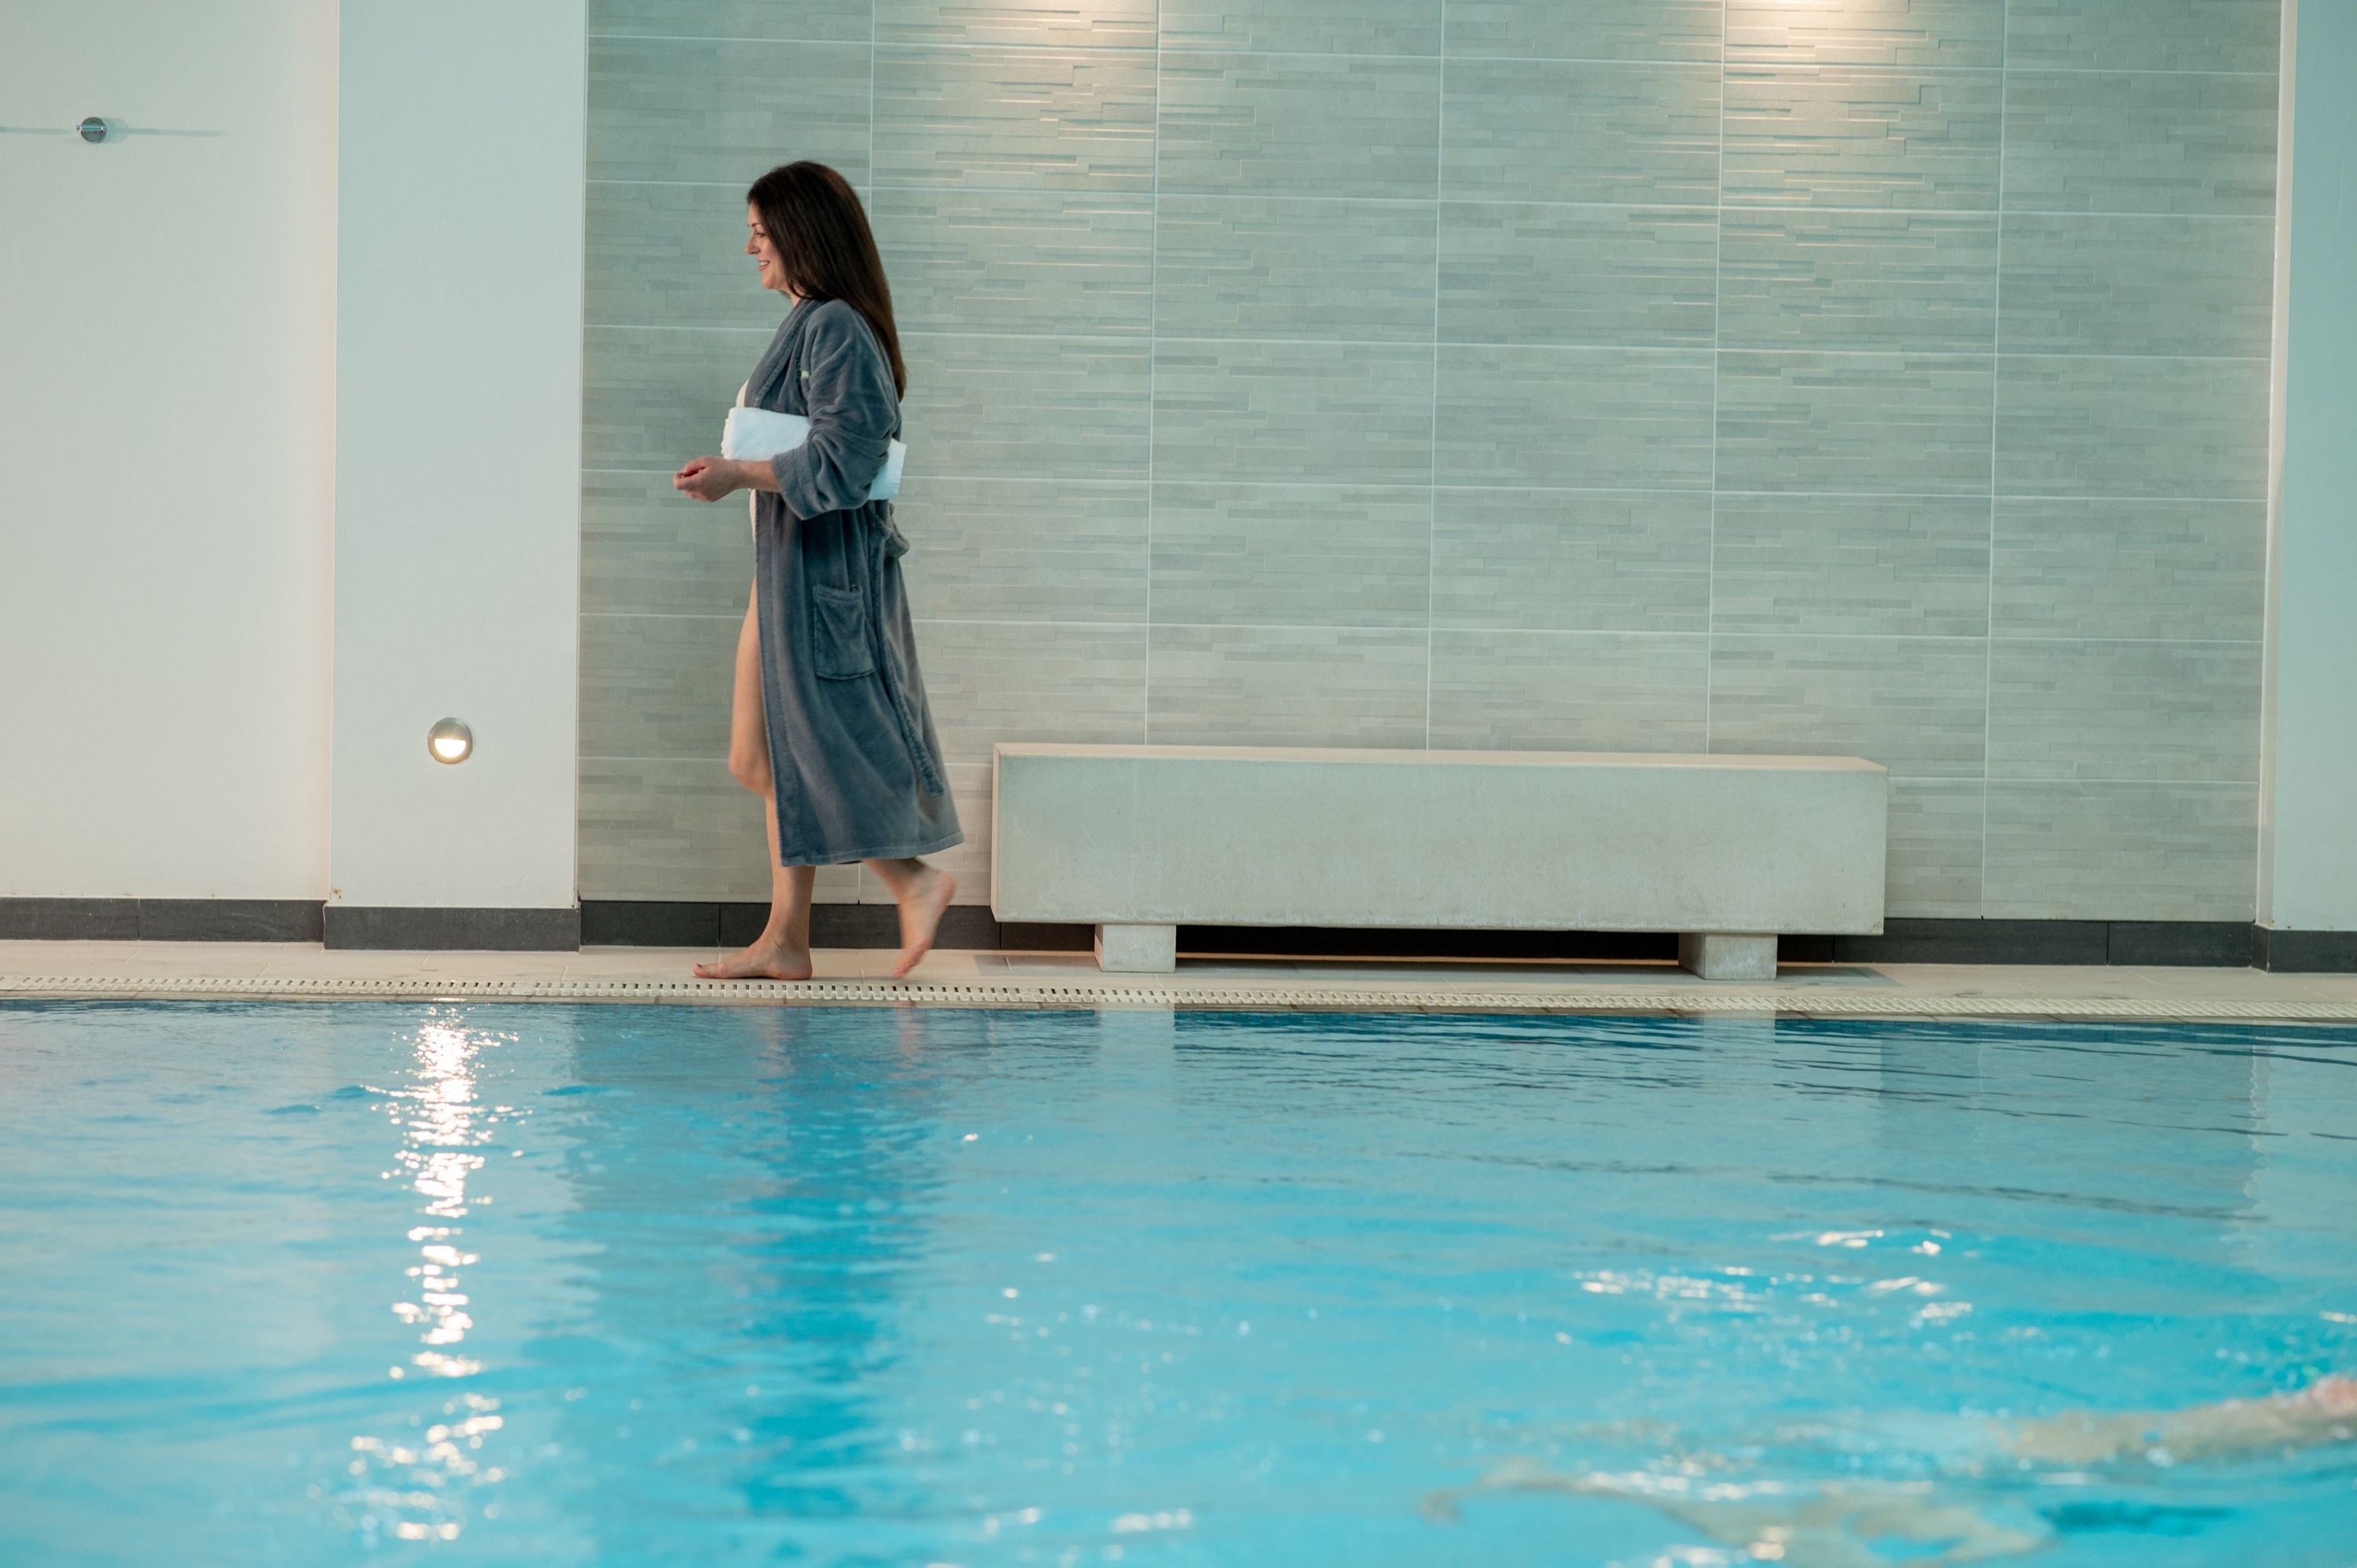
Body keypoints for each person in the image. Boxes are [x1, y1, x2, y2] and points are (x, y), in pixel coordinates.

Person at [671, 162, 960, 981]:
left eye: (761, 232)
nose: (750, 248)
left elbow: (847, 457)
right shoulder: (811, 322)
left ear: (802, 235)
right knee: (760, 754)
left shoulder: (835, 327)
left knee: (775, 755)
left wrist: (737, 477)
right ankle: (787, 939)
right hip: (787, 569)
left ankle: (914, 880)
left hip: (822, 573)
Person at [1424, 1375, 2357, 1567]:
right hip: (2007, 1455)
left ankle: (1536, 1468)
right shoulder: (2003, 1521)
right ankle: (1537, 1470)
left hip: (2001, 1444)